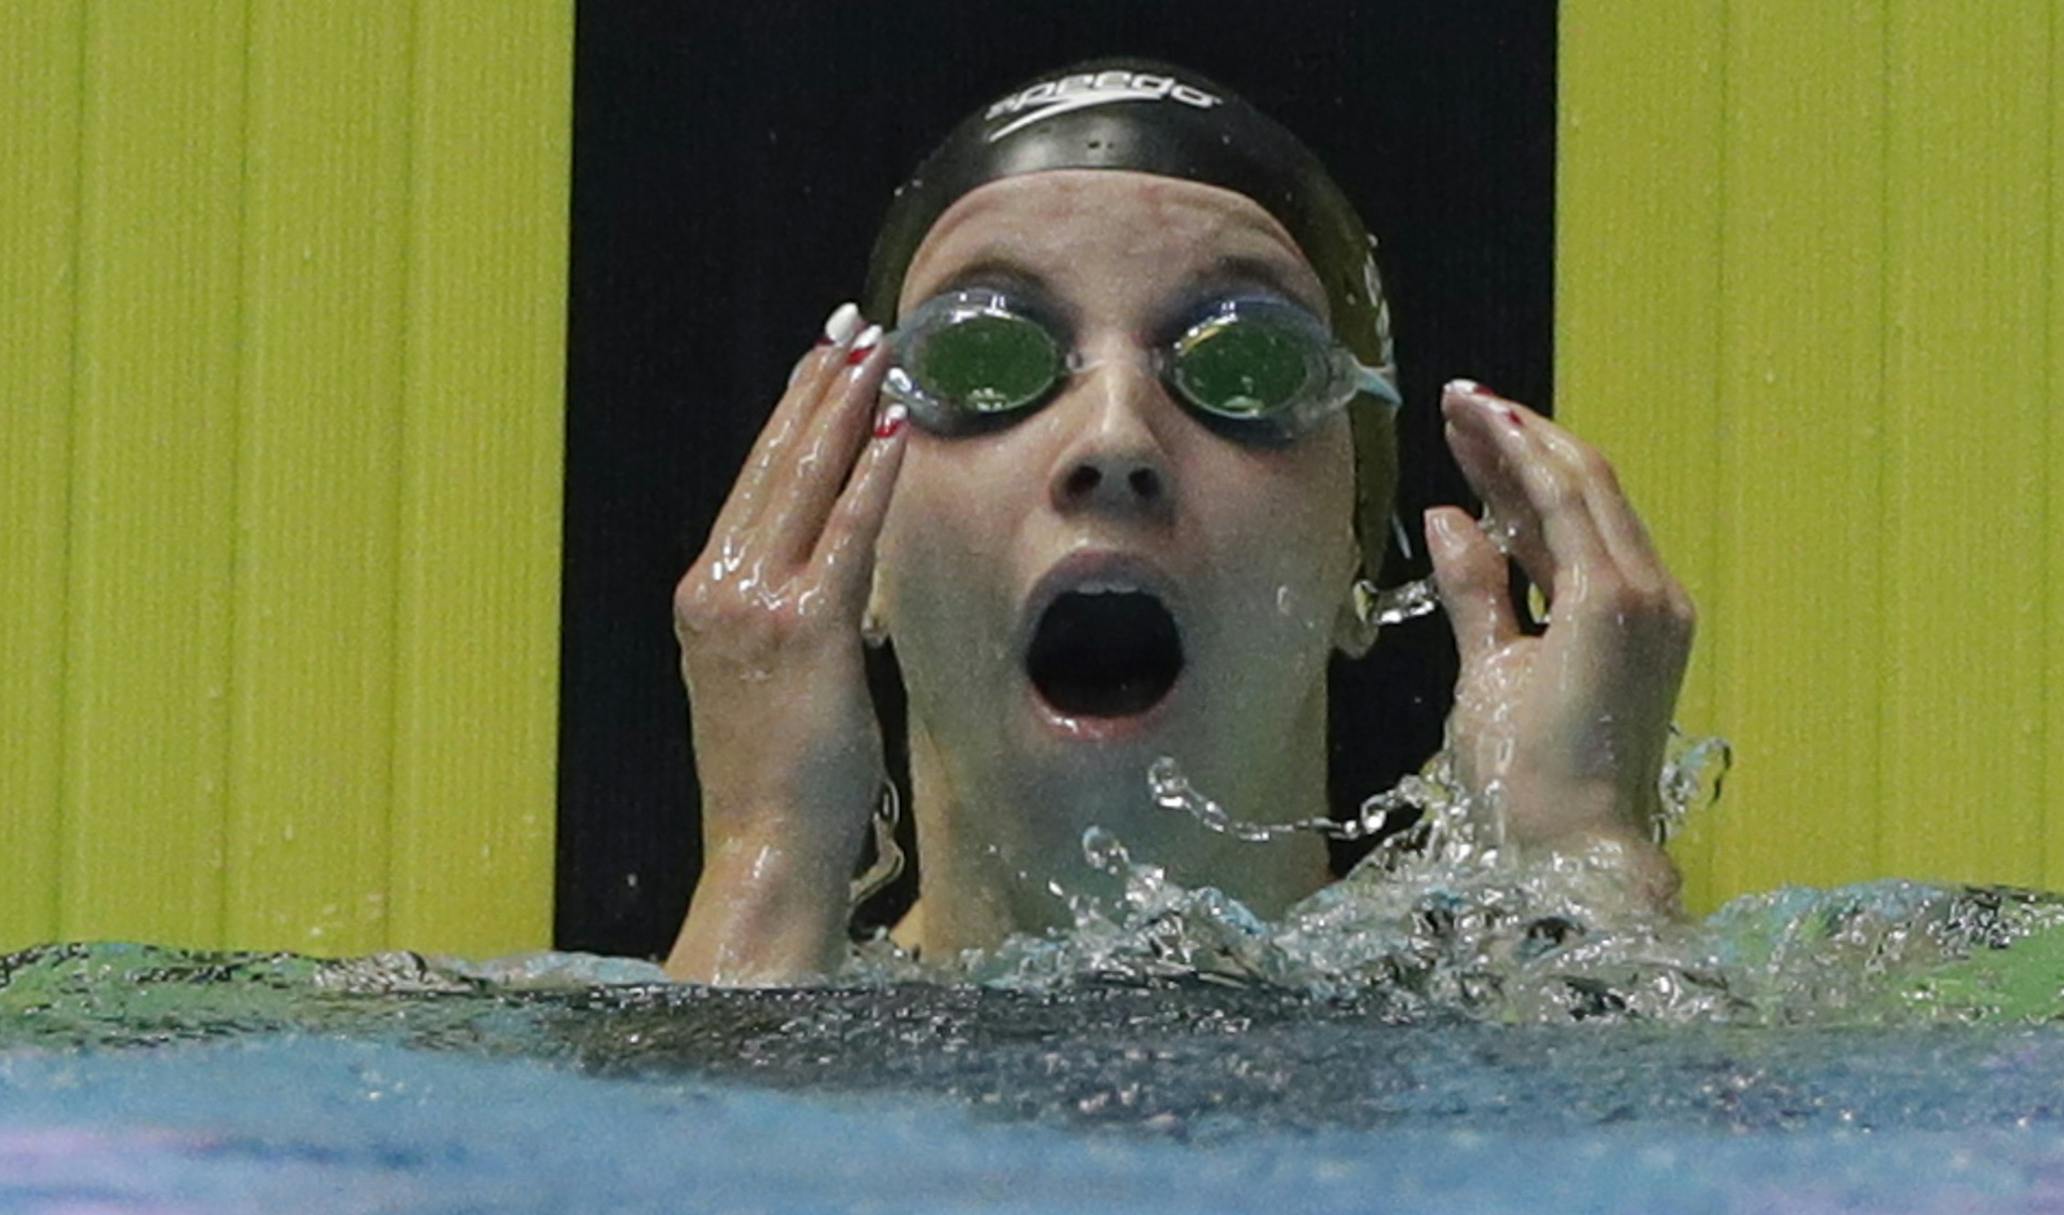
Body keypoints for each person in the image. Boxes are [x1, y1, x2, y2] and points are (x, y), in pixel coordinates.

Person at [664, 60, 1694, 986]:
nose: (1115, 437)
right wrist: (766, 860)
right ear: (865, 548)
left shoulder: (1492, 1037)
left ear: (1354, 547)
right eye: (987, 358)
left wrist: (1583, 860)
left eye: (1246, 364)